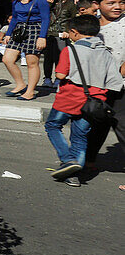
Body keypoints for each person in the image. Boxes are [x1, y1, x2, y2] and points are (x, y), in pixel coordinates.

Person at [45, 14, 123, 187]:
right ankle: (74, 174)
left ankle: (67, 160)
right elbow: (115, 81)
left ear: (74, 32)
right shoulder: (106, 52)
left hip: (69, 98)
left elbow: (60, 74)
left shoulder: (70, 50)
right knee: (80, 136)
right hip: (93, 103)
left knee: (52, 125)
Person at [84, 0, 125, 171]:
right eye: (111, 3)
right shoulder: (91, 26)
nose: (118, 7)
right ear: (97, 4)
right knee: (98, 123)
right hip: (97, 85)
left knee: (122, 125)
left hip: (121, 85)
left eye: (122, 3)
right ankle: (89, 161)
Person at [0, 0, 51, 101]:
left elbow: (45, 18)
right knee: (7, 59)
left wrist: (42, 37)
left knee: (31, 62)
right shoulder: (16, 0)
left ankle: (30, 91)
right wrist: (8, 33)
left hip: (35, 29)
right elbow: (14, 18)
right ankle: (20, 84)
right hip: (19, 30)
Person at [42, 0, 76, 86]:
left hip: (62, 34)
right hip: (48, 33)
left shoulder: (69, 4)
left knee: (59, 57)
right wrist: (48, 4)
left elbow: (73, 19)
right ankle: (47, 78)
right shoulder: (45, 4)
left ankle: (59, 78)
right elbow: (41, 16)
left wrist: (68, 31)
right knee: (48, 58)